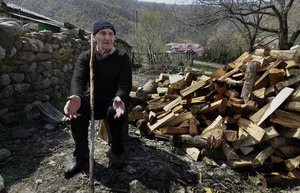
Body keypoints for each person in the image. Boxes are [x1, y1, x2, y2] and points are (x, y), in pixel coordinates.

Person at [63, 18, 132, 179]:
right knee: (76, 110)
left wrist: (119, 97)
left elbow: (125, 84)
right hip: (94, 99)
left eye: (111, 34)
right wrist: (77, 96)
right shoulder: (86, 57)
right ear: (94, 37)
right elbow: (78, 79)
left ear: (114, 37)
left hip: (116, 100)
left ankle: (117, 150)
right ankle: (81, 156)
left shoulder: (122, 58)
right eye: (102, 33)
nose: (107, 38)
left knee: (113, 112)